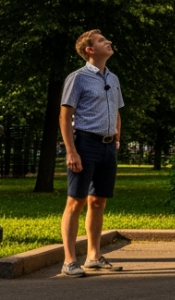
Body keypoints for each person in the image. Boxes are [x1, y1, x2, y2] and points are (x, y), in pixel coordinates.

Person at [58, 29, 125, 277]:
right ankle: (69, 261)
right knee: (76, 201)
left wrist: (117, 134)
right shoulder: (77, 78)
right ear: (89, 50)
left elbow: (116, 109)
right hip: (84, 144)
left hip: (107, 147)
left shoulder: (114, 78)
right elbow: (65, 116)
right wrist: (71, 151)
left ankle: (93, 257)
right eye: (101, 40)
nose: (108, 41)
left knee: (98, 201)